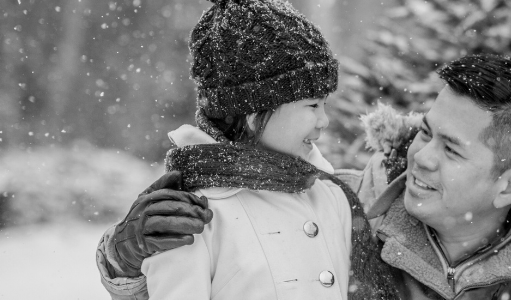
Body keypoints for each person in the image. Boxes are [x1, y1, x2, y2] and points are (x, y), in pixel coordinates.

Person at [96, 54, 511, 300]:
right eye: (426, 133)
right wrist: (125, 264)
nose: (421, 158)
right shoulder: (333, 207)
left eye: (451, 150)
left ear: (510, 185)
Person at [93, 0, 393, 299]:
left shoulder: (332, 196)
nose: (323, 120)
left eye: (325, 104)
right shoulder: (192, 216)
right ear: (253, 112)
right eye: (312, 105)